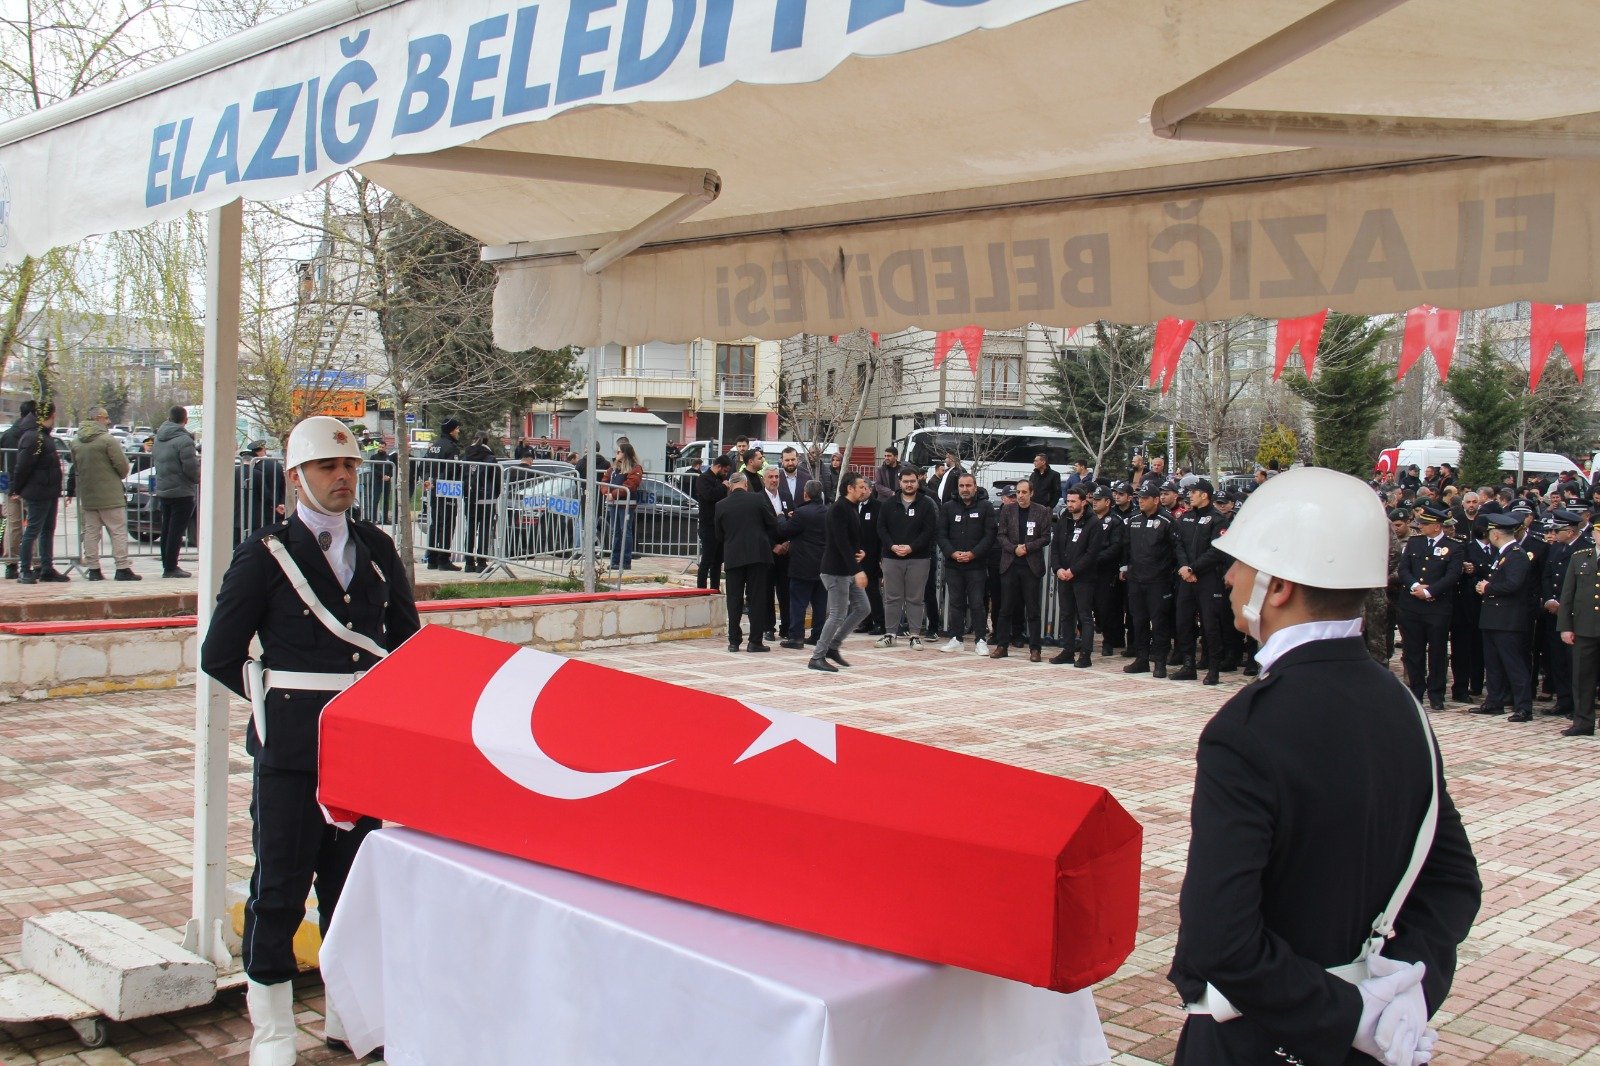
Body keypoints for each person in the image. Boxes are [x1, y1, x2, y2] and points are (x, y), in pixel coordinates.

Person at [1169, 467, 1480, 1066]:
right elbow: (1453, 882)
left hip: (1263, 1039)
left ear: (1278, 587)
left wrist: (1348, 1016)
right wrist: (1407, 991)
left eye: (1240, 563)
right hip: (1372, 1042)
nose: (1228, 577)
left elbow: (1220, 939)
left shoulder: (1248, 729)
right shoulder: (1400, 703)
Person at [200, 416, 420, 1065]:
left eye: (350, 466)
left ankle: (346, 1016)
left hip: (361, 751)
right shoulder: (265, 554)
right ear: (296, 476)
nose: (343, 477)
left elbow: (405, 644)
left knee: (350, 892)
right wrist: (282, 707)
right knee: (279, 890)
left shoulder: (376, 548)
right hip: (293, 754)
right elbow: (220, 653)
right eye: (327, 466)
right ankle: (272, 1032)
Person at [1396, 503, 1461, 711]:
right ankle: (1416, 690)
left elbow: (1452, 575)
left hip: (1437, 606)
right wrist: (1415, 586)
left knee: (1437, 651)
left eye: (1424, 524)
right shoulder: (1414, 543)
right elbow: (1403, 569)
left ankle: (1436, 692)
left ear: (1437, 526)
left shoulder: (1454, 546)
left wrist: (1430, 591)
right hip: (1412, 605)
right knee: (1413, 650)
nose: (1420, 527)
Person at [1473, 511, 1536, 722]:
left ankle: (1523, 706)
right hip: (1494, 617)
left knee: (1513, 664)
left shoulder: (1517, 554)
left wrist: (1488, 587)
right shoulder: (1503, 553)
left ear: (1496, 534)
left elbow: (1513, 584)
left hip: (1508, 619)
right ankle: (1494, 701)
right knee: (1493, 664)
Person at [810, 471, 873, 672]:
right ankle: (817, 656)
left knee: (863, 608)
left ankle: (833, 646)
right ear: (850, 488)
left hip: (847, 569)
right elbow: (840, 542)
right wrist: (857, 571)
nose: (865, 490)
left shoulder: (852, 507)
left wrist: (861, 552)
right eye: (861, 486)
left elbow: (852, 539)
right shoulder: (838, 509)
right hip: (835, 570)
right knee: (837, 614)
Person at [1123, 481, 1187, 677]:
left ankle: (1160, 662)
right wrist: (1124, 567)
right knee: (1138, 620)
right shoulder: (1134, 519)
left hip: (1158, 581)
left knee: (1159, 623)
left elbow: (1177, 549)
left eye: (1145, 498)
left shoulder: (1167, 521)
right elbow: (1126, 546)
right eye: (1139, 498)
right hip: (1136, 579)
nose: (1141, 501)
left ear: (1156, 500)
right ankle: (1142, 659)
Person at [1172, 479, 1230, 685]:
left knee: (1210, 625)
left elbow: (1217, 551)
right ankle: (1189, 665)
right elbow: (1178, 544)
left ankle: (1213, 669)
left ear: (1204, 495)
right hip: (1186, 578)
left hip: (1208, 579)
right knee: (1183, 621)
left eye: (1193, 492)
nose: (1190, 495)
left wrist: (1193, 568)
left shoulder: (1218, 519)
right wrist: (1185, 568)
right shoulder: (1186, 517)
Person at [71, 407, 140, 580]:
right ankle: (122, 568)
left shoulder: (76, 442)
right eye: (106, 418)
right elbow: (122, 467)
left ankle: (94, 569)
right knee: (117, 531)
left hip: (88, 494)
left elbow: (76, 467)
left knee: (91, 532)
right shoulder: (107, 440)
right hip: (111, 495)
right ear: (98, 418)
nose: (108, 421)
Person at [715, 472, 779, 653]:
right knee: (756, 598)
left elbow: (719, 535)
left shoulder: (721, 505)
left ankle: (733, 642)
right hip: (757, 555)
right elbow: (772, 523)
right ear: (745, 484)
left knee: (734, 599)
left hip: (733, 556)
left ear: (730, 486)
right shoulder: (757, 499)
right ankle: (755, 641)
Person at [877, 467, 937, 650]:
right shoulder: (888, 504)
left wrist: (912, 547)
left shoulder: (926, 504)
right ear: (900, 482)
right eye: (906, 481)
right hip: (891, 557)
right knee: (892, 597)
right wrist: (892, 546)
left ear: (918, 481)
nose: (909, 484)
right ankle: (890, 634)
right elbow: (881, 528)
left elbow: (929, 531)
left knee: (915, 598)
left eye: (912, 481)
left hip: (919, 558)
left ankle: (915, 635)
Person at [937, 473, 995, 655]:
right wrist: (952, 553)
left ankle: (980, 640)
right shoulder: (948, 507)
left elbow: (990, 535)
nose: (965, 489)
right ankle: (956, 638)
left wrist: (973, 554)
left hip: (976, 565)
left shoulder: (986, 507)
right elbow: (941, 534)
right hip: (953, 564)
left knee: (977, 603)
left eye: (968, 485)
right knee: (956, 603)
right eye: (961, 486)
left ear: (975, 487)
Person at [991, 479, 1049, 661]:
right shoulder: (1008, 510)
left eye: (1024, 492)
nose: (1021, 495)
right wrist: (1014, 548)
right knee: (1005, 608)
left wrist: (1028, 547)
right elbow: (1001, 535)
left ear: (1031, 493)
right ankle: (1002, 645)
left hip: (1031, 566)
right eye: (1018, 492)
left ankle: (1035, 648)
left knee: (1032, 609)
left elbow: (1045, 537)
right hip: (1010, 564)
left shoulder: (1041, 511)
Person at [10, 401, 67, 583]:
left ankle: (46, 569)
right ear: (49, 416)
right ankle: (25, 570)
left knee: (47, 530)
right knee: (32, 531)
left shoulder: (42, 436)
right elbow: (23, 466)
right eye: (53, 416)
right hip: (38, 491)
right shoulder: (33, 437)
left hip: (49, 490)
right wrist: (17, 488)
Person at [1050, 485, 1101, 667]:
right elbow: (1055, 547)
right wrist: (1057, 569)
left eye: (1073, 501)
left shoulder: (1093, 523)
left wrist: (1073, 570)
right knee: (1066, 614)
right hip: (1063, 575)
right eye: (1068, 501)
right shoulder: (1064, 518)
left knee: (1084, 616)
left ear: (1084, 501)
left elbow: (1091, 553)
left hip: (1083, 577)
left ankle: (1085, 654)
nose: (1070, 504)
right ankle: (1068, 650)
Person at [1558, 519, 1600, 737]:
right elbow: (1568, 595)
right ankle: (1583, 721)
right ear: (1593, 534)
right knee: (1583, 677)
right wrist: (1566, 627)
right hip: (1584, 627)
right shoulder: (1580, 557)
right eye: (1599, 532)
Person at [779, 480, 829, 649]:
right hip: (823, 565)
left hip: (802, 564)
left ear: (805, 494)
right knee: (820, 603)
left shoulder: (801, 513)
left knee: (798, 602)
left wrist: (781, 517)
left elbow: (785, 530)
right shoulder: (828, 512)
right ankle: (818, 635)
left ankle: (796, 637)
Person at [153, 405, 200, 578]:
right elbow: (190, 467)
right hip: (182, 490)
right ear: (185, 420)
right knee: (176, 531)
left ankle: (167, 564)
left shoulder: (159, 437)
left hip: (164, 489)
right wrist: (197, 478)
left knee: (166, 528)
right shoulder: (184, 440)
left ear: (169, 418)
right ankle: (171, 567)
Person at [1, 398, 37, 578]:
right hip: (31, 486)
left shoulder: (7, 435)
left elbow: (2, 464)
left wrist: (5, 488)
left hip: (10, 487)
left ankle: (11, 564)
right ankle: (38, 562)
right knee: (35, 524)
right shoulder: (34, 435)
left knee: (13, 525)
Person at [423, 418, 463, 570]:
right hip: (446, 489)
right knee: (447, 524)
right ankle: (443, 560)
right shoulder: (451, 447)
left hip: (434, 489)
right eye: (457, 428)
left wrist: (429, 480)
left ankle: (432, 559)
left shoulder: (434, 446)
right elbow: (451, 468)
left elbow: (426, 465)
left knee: (435, 523)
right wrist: (439, 481)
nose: (458, 431)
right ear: (451, 430)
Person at [462, 432, 501, 572]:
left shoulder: (466, 456)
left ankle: (468, 563)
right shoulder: (490, 458)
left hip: (470, 498)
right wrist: (495, 494)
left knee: (470, 529)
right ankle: (481, 563)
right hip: (486, 499)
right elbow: (496, 480)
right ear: (487, 441)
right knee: (484, 530)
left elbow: (463, 476)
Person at [693, 455, 731, 590]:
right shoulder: (703, 479)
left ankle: (715, 588)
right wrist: (723, 487)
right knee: (707, 560)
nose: (726, 474)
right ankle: (701, 589)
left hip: (720, 526)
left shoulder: (720, 480)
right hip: (708, 525)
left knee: (718, 561)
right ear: (718, 466)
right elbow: (709, 495)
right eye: (725, 471)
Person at [605, 439, 643, 572]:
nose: (616, 454)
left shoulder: (635, 468)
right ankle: (614, 561)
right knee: (615, 532)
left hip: (626, 505)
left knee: (625, 532)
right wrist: (606, 492)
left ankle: (626, 562)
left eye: (619, 452)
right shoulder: (613, 468)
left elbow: (631, 485)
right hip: (614, 504)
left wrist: (613, 494)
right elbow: (604, 481)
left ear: (625, 453)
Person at [776, 447, 811, 512]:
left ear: (797, 460)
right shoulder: (776, 479)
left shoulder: (807, 478)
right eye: (787, 460)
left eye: (793, 459)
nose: (790, 463)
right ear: (782, 461)